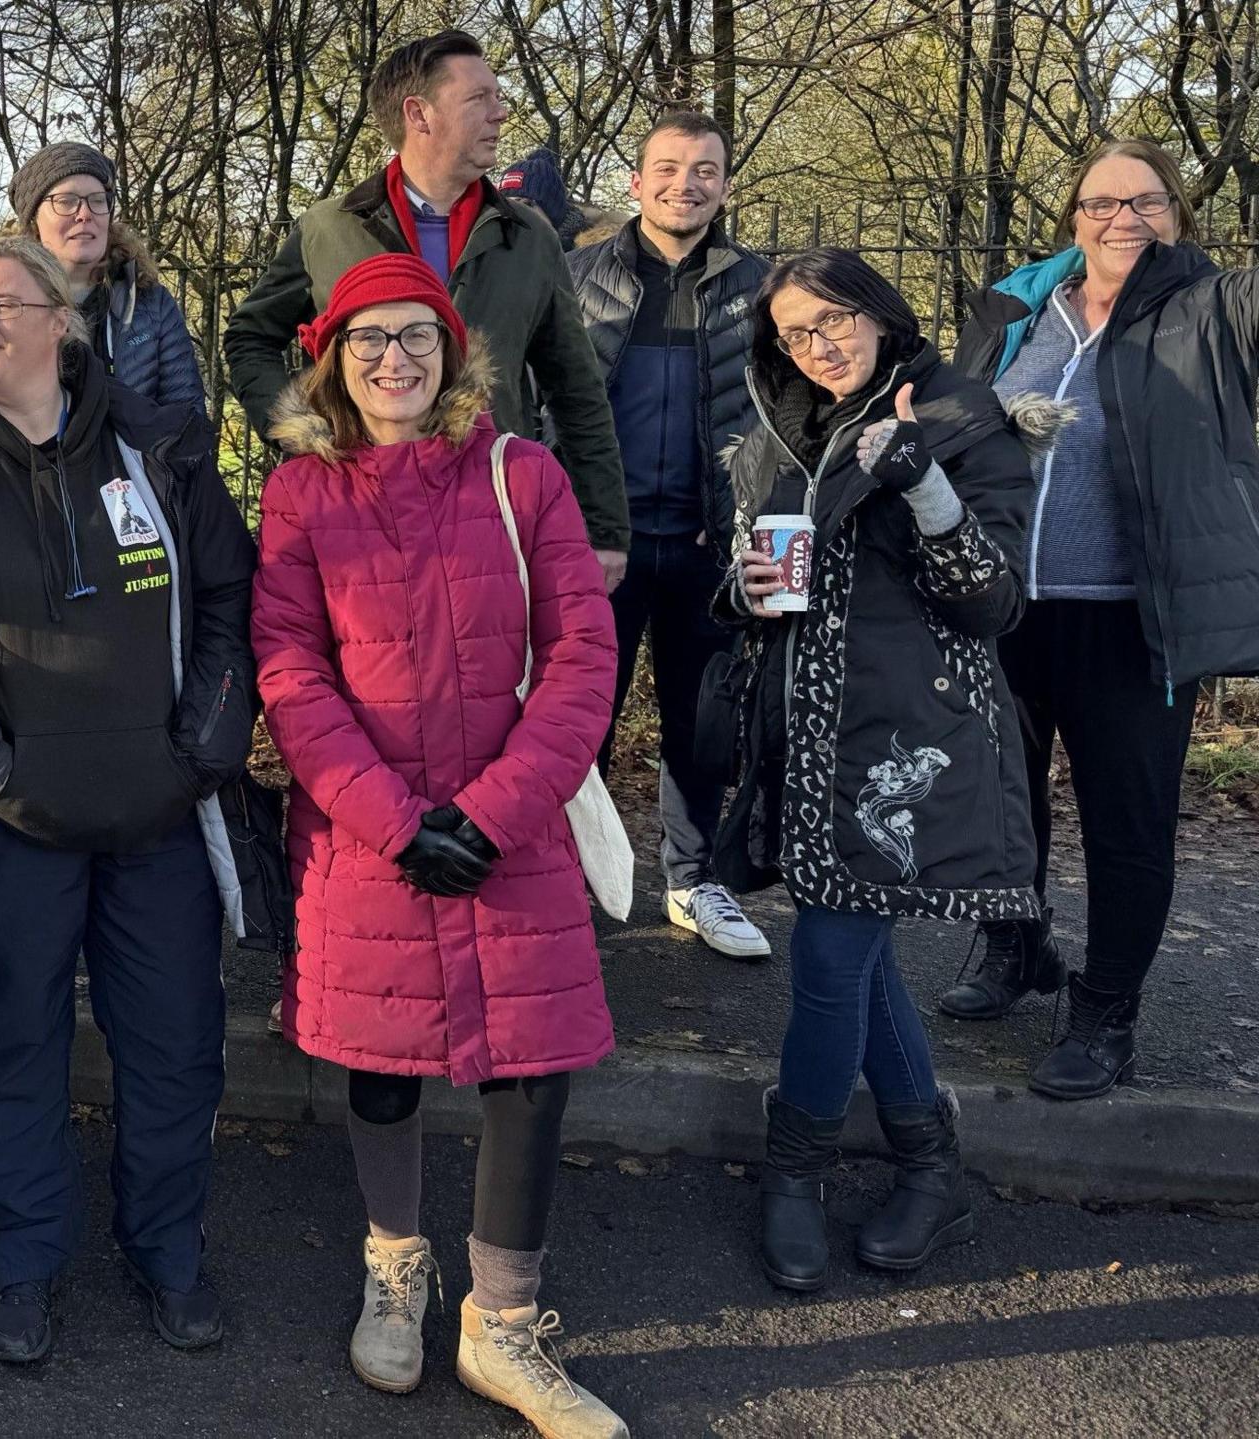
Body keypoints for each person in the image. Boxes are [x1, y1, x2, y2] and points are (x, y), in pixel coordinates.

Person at [0, 235, 266, 1365]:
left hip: (162, 815)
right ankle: (25, 1254)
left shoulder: (163, 445)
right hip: (7, 823)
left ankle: (166, 1247)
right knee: (9, 1049)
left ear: (62, 319)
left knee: (175, 1047)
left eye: (2, 302)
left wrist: (210, 740)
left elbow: (231, 596)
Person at [250, 253, 627, 1439]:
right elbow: (290, 669)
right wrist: (395, 820)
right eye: (366, 341)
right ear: (330, 361)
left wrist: (499, 807)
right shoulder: (303, 492)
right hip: (369, 833)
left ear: (454, 351)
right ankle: (394, 1266)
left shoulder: (527, 477)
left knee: (529, 1064)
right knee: (382, 1053)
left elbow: (580, 654)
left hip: (508, 821)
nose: (392, 360)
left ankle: (501, 1325)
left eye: (415, 336)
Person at [718, 249, 1058, 1292]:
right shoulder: (788, 430)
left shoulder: (960, 416)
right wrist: (743, 586)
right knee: (854, 960)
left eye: (833, 320)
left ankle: (794, 1173)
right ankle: (927, 1163)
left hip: (907, 740)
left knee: (828, 959)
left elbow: (993, 603)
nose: (817, 346)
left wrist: (925, 486)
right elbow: (756, 580)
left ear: (877, 309)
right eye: (793, 332)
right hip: (808, 736)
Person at [947, 139, 1259, 1100]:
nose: (1122, 218)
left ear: (1178, 213)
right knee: (1002, 805)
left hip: (1134, 621)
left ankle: (1106, 1011)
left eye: (1146, 201)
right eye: (1100, 201)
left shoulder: (1209, 309)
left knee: (1128, 827)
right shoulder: (1016, 306)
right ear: (1072, 213)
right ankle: (1016, 946)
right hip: (1004, 606)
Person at [223, 29, 630, 593]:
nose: (500, 113)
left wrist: (606, 528)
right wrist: (306, 431)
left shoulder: (529, 236)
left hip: (494, 508)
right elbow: (248, 338)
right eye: (479, 98)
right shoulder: (329, 228)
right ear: (419, 114)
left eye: (498, 96)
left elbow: (577, 388)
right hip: (361, 514)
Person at [566, 111, 772, 960]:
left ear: (726, 184)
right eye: (667, 167)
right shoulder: (576, 278)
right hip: (595, 548)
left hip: (707, 547)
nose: (684, 184)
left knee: (702, 726)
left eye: (704, 170)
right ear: (635, 181)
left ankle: (693, 882)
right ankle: (572, 884)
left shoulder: (760, 286)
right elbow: (547, 407)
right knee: (581, 725)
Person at [7, 141, 206, 411]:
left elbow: (187, 417)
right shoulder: (4, 310)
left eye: (97, 200)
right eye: (66, 202)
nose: (85, 214)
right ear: (33, 221)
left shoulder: (150, 304)